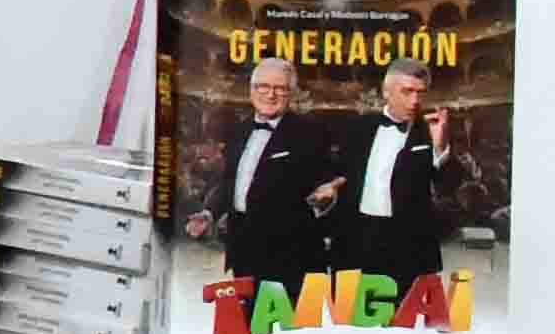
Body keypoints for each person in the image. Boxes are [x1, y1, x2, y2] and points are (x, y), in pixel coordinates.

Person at [316, 61, 480, 288]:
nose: (415, 101)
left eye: (420, 93)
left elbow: (448, 185)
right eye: (407, 91)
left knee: (402, 319)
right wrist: (330, 187)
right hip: (355, 241)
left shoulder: (436, 131)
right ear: (386, 92)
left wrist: (440, 148)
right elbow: (338, 171)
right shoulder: (357, 127)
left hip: (407, 247)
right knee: (347, 318)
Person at [195, 52, 336, 281]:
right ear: (251, 91)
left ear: (291, 93)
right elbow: (230, 181)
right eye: (263, 87)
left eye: (280, 88)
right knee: (247, 316)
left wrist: (327, 195)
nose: (270, 95)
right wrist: (209, 212)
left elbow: (326, 182)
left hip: (291, 258)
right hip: (243, 252)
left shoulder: (311, 134)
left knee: (289, 318)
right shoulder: (238, 131)